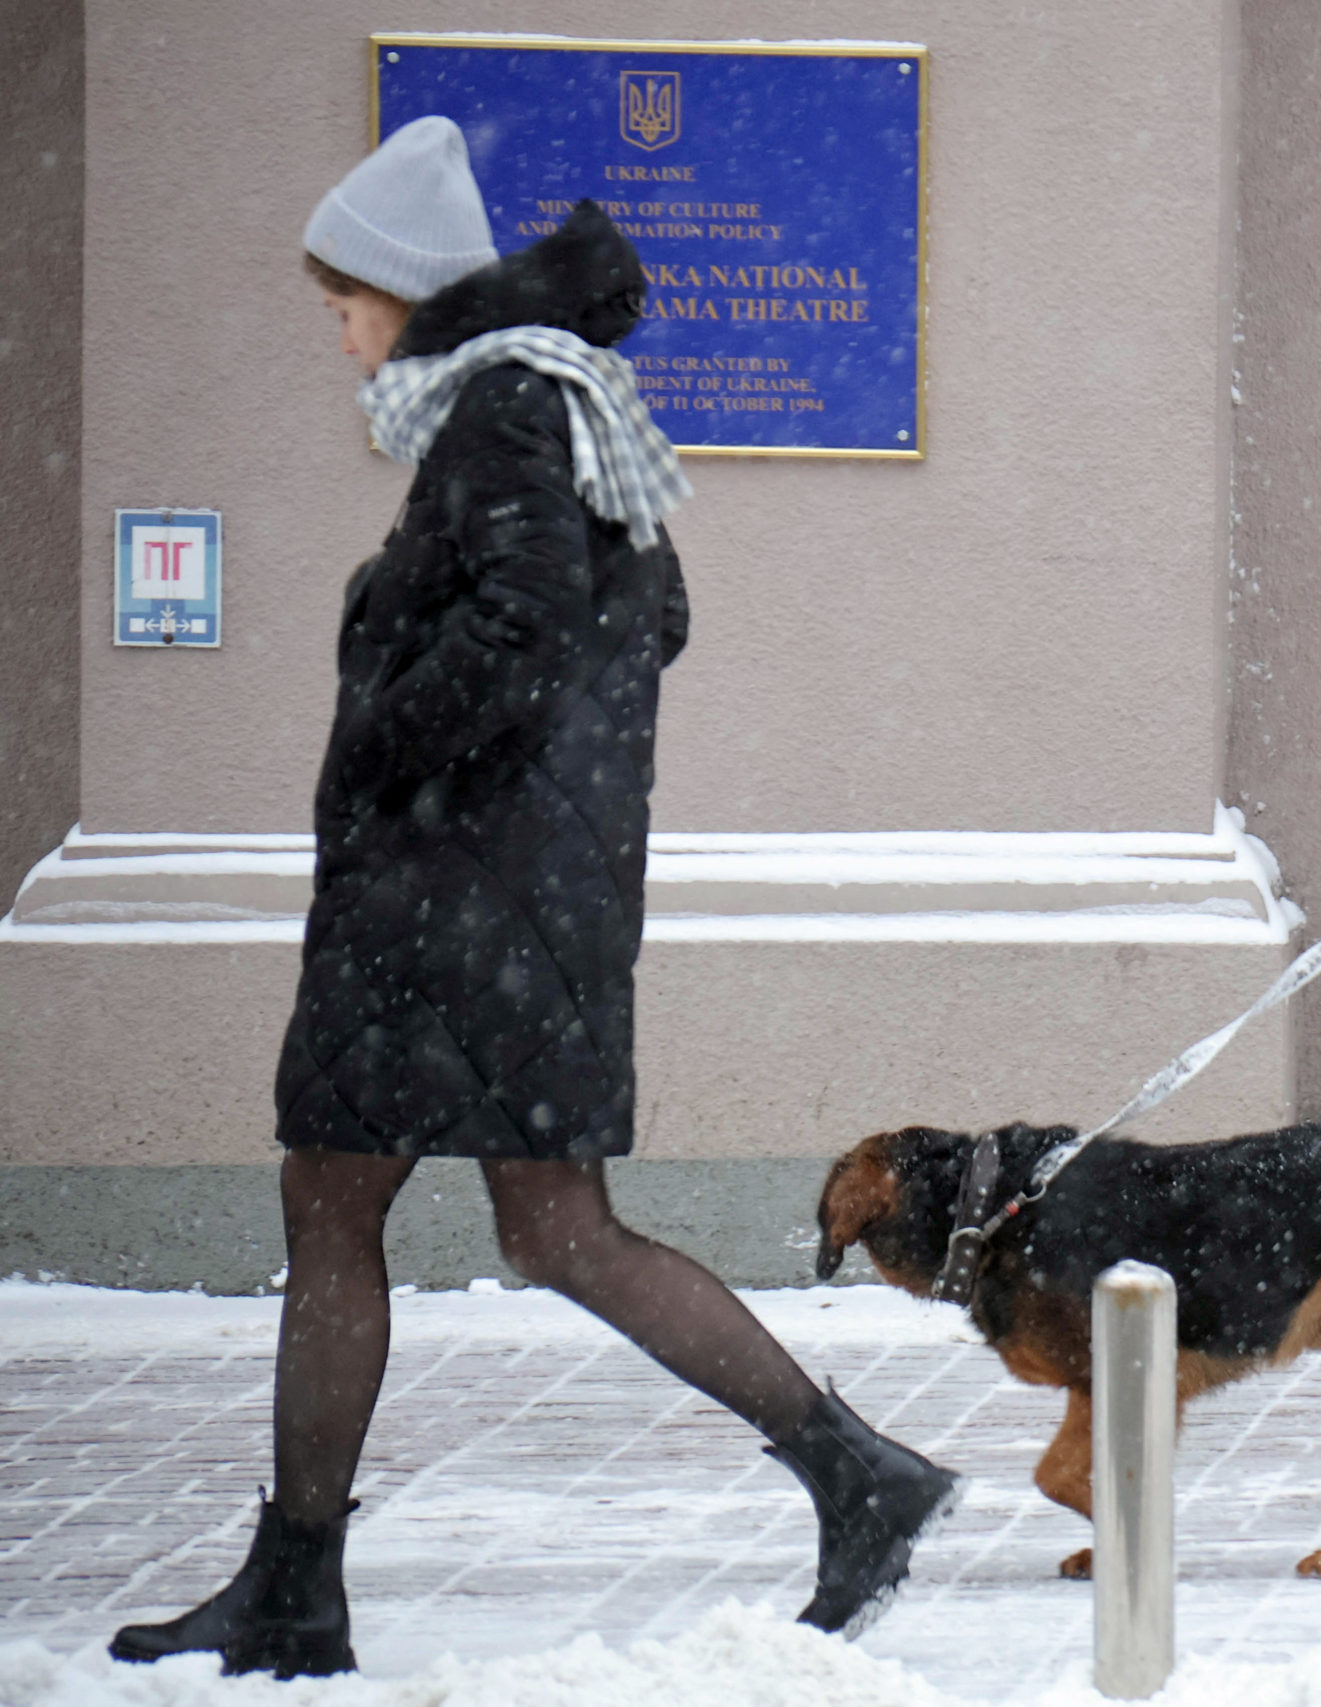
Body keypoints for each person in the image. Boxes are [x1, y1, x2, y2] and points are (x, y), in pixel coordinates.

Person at [107, 117, 957, 1680]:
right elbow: (653, 619)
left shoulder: (498, 408)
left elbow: (532, 622)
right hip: (520, 909)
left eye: (342, 296)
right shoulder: (562, 406)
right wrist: (541, 822)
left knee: (348, 1205)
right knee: (549, 1226)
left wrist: (385, 747)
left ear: (402, 289)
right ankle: (853, 1473)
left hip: (447, 907)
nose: (337, 327)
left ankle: (301, 1585)